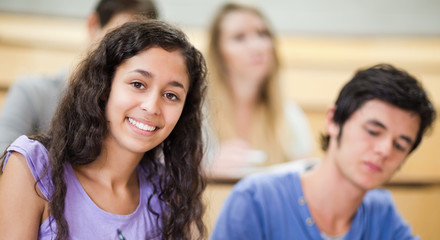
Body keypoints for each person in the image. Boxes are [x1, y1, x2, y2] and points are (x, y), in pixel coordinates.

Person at [0, 20, 207, 240]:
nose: (152, 106)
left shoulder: (170, 192)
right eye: (138, 84)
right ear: (103, 88)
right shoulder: (32, 167)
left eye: (171, 95)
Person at [211, 63, 437, 239]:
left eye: (400, 145)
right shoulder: (256, 199)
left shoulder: (382, 212)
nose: (384, 150)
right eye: (373, 131)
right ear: (333, 120)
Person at [0, 0, 159, 153]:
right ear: (93, 24)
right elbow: (3, 159)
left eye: (138, 47)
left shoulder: (139, 112)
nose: (123, 54)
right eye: (117, 39)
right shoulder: (33, 92)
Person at [205, 2, 314, 179]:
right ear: (218, 54)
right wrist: (205, 170)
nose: (257, 46)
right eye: (239, 37)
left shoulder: (290, 115)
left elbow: (304, 179)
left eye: (263, 34)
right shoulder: (198, 114)